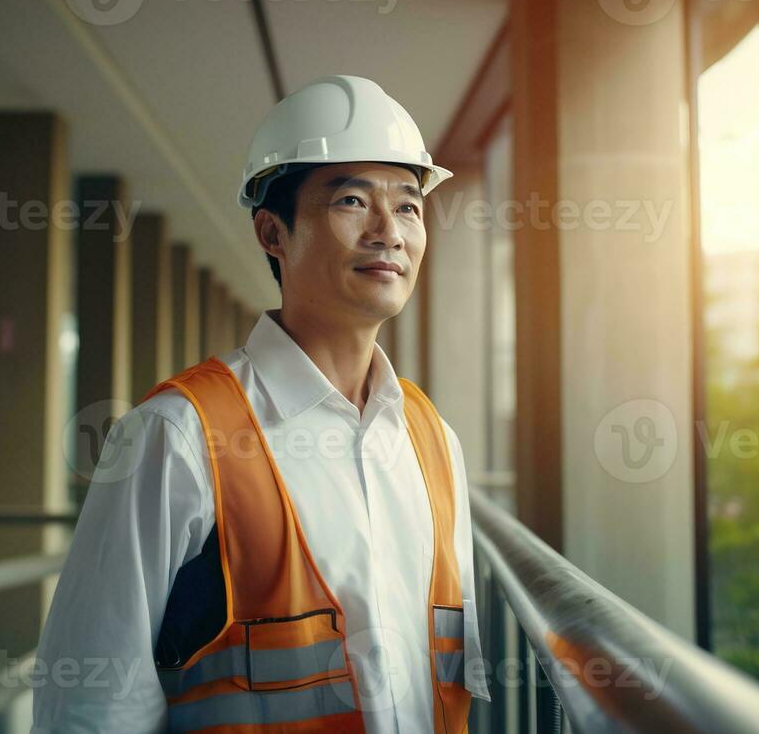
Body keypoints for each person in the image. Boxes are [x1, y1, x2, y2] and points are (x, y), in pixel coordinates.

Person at [33, 75, 489, 732]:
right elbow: (88, 705)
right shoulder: (176, 436)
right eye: (353, 201)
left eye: (410, 206)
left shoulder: (433, 440)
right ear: (272, 233)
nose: (388, 231)